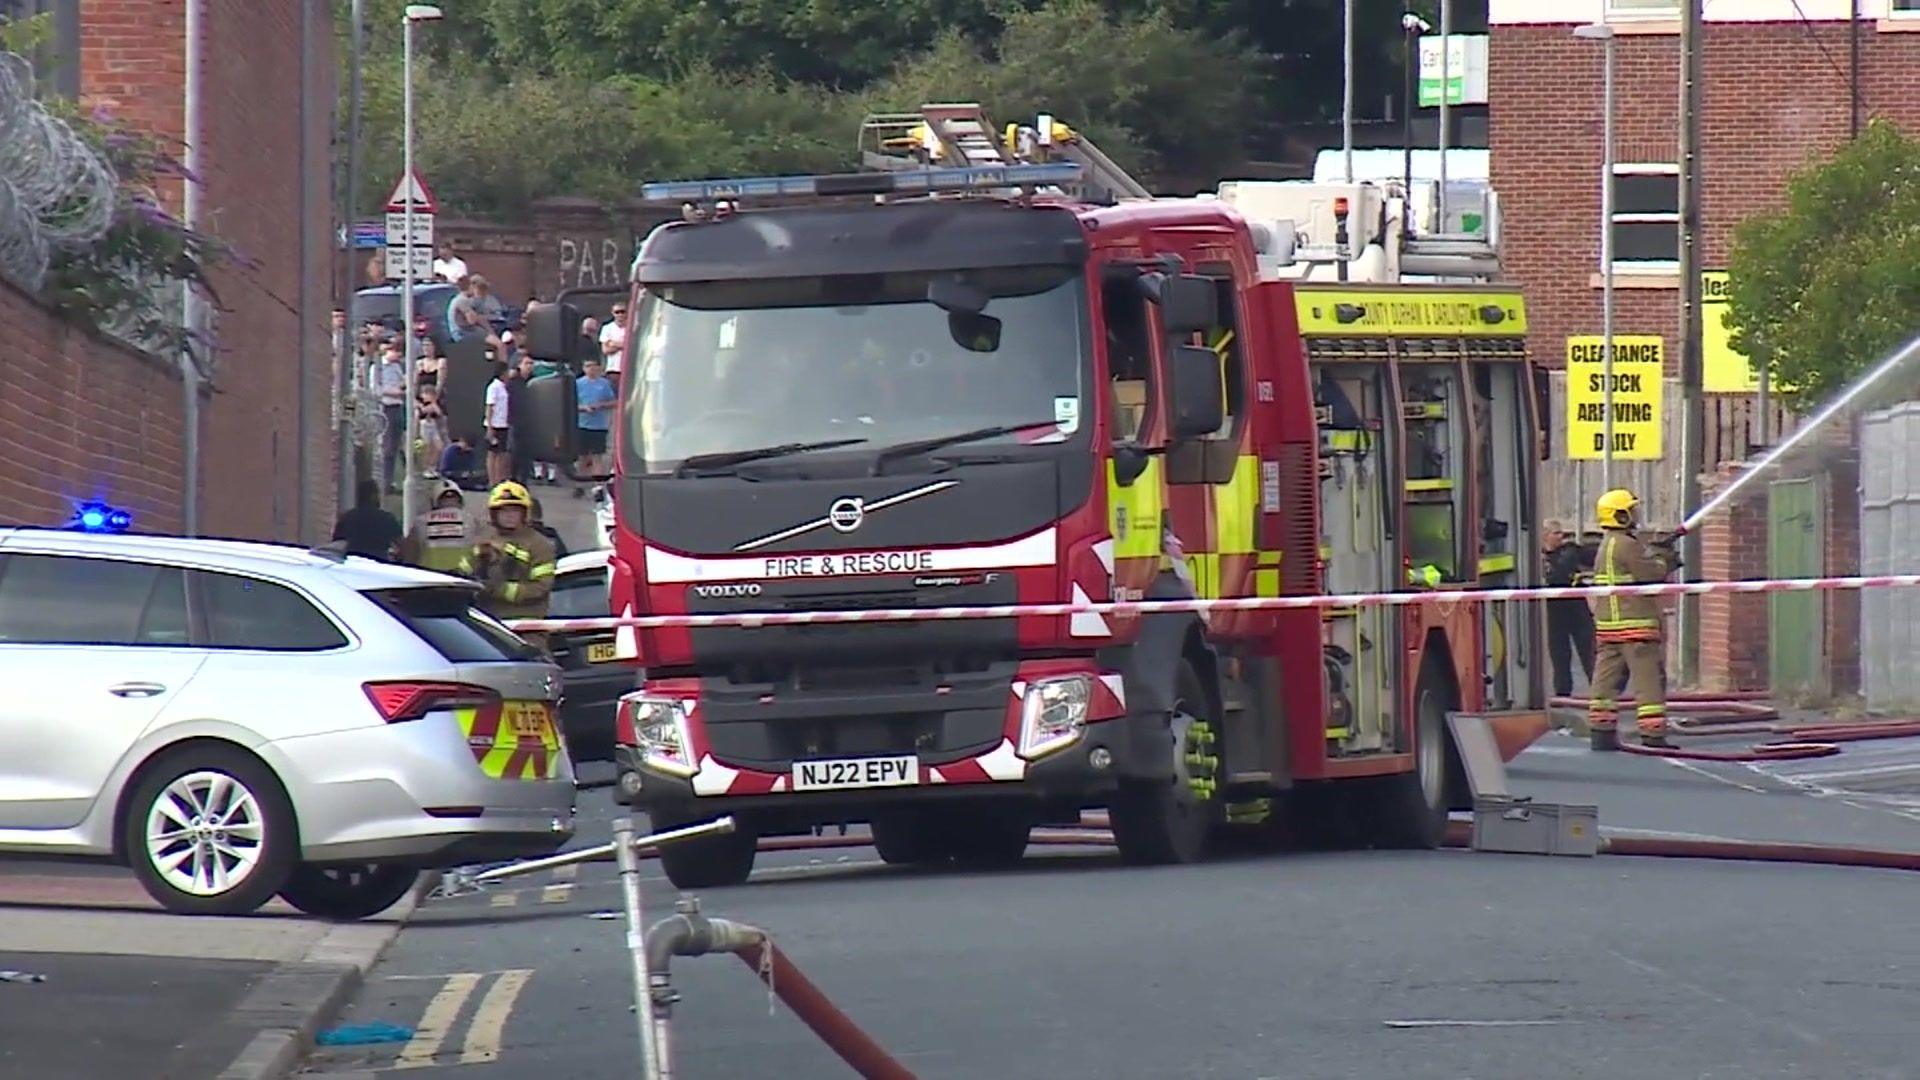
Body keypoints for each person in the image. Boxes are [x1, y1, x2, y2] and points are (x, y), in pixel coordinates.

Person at [1585, 488, 1680, 751]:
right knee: (1648, 681)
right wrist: (1666, 560)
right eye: (1631, 510)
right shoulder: (1627, 545)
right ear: (1620, 515)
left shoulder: (1607, 545)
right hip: (1636, 625)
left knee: (1605, 682)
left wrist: (1653, 552)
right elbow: (1650, 573)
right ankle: (1653, 736)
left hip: (1608, 628)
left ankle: (1601, 733)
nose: (1635, 515)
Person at [458, 482, 558, 651]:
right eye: (503, 511)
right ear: (494, 514)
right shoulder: (483, 538)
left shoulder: (540, 544)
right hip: (486, 621)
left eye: (515, 511)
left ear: (525, 514)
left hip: (526, 628)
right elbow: (463, 572)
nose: (509, 516)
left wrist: (499, 590)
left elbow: (540, 588)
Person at [1542, 518, 1596, 698]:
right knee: (1560, 655)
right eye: (1556, 533)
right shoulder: (1538, 559)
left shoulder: (1570, 551)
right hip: (1554, 611)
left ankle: (1598, 690)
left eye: (1562, 533)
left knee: (1589, 651)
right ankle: (1563, 694)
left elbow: (1593, 557)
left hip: (1577, 608)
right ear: (1544, 536)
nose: (1561, 537)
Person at [398, 479, 473, 572]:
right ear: (460, 500)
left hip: (430, 577)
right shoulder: (471, 521)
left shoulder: (421, 521)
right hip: (463, 576)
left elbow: (408, 555)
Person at [331, 479, 403, 561]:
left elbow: (336, 544)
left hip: (352, 562)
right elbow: (402, 545)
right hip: (379, 563)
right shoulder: (387, 518)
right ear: (373, 495)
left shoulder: (346, 518)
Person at [574, 357, 615, 494]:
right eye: (587, 366)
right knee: (582, 457)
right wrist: (583, 408)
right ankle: (579, 484)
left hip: (599, 426)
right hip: (582, 424)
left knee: (597, 457)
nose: (591, 369)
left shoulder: (604, 384)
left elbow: (614, 402)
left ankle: (598, 486)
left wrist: (600, 405)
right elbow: (570, 403)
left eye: (593, 366)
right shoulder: (578, 384)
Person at [483, 360, 513, 486]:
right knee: (492, 454)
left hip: (503, 424)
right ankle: (492, 480)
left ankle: (500, 478)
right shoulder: (493, 387)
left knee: (501, 453)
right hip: (494, 424)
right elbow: (490, 407)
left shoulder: (503, 387)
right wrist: (490, 427)